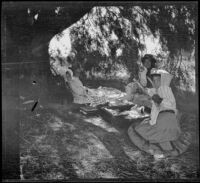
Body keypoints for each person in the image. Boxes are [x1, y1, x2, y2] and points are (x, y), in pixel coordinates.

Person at [127, 69, 191, 158]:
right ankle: (166, 150)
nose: (155, 82)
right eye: (154, 80)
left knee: (133, 129)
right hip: (172, 127)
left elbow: (159, 100)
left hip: (163, 124)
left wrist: (146, 95)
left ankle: (153, 150)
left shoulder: (165, 90)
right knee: (159, 132)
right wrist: (141, 87)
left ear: (163, 80)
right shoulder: (161, 90)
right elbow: (147, 92)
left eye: (158, 80)